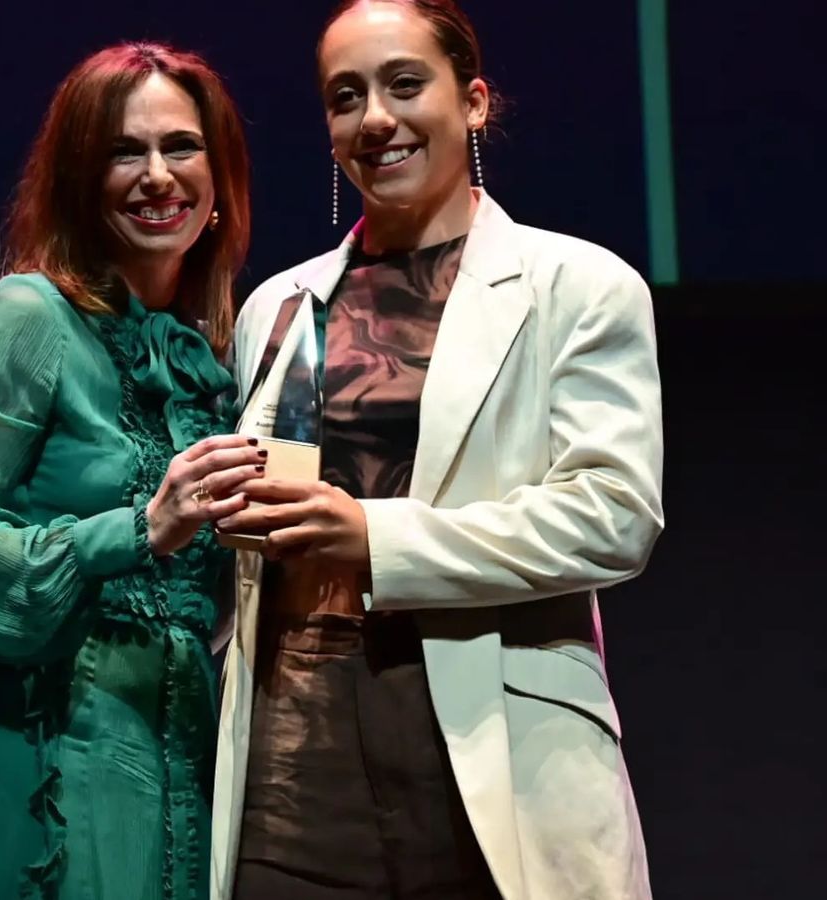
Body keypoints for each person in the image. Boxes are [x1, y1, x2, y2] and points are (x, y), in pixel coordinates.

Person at [208, 2, 664, 898]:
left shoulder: (576, 286)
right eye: (347, 97)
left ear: (475, 102)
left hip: (489, 757)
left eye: (405, 83)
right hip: (293, 773)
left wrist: (377, 539)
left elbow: (613, 515)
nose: (376, 118)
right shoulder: (280, 307)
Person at [0, 41, 261, 900]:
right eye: (121, 152)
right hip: (42, 749)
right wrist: (136, 529)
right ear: (79, 179)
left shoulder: (215, 356)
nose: (156, 176)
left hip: (177, 747)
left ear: (218, 179)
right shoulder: (31, 316)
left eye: (180, 147)